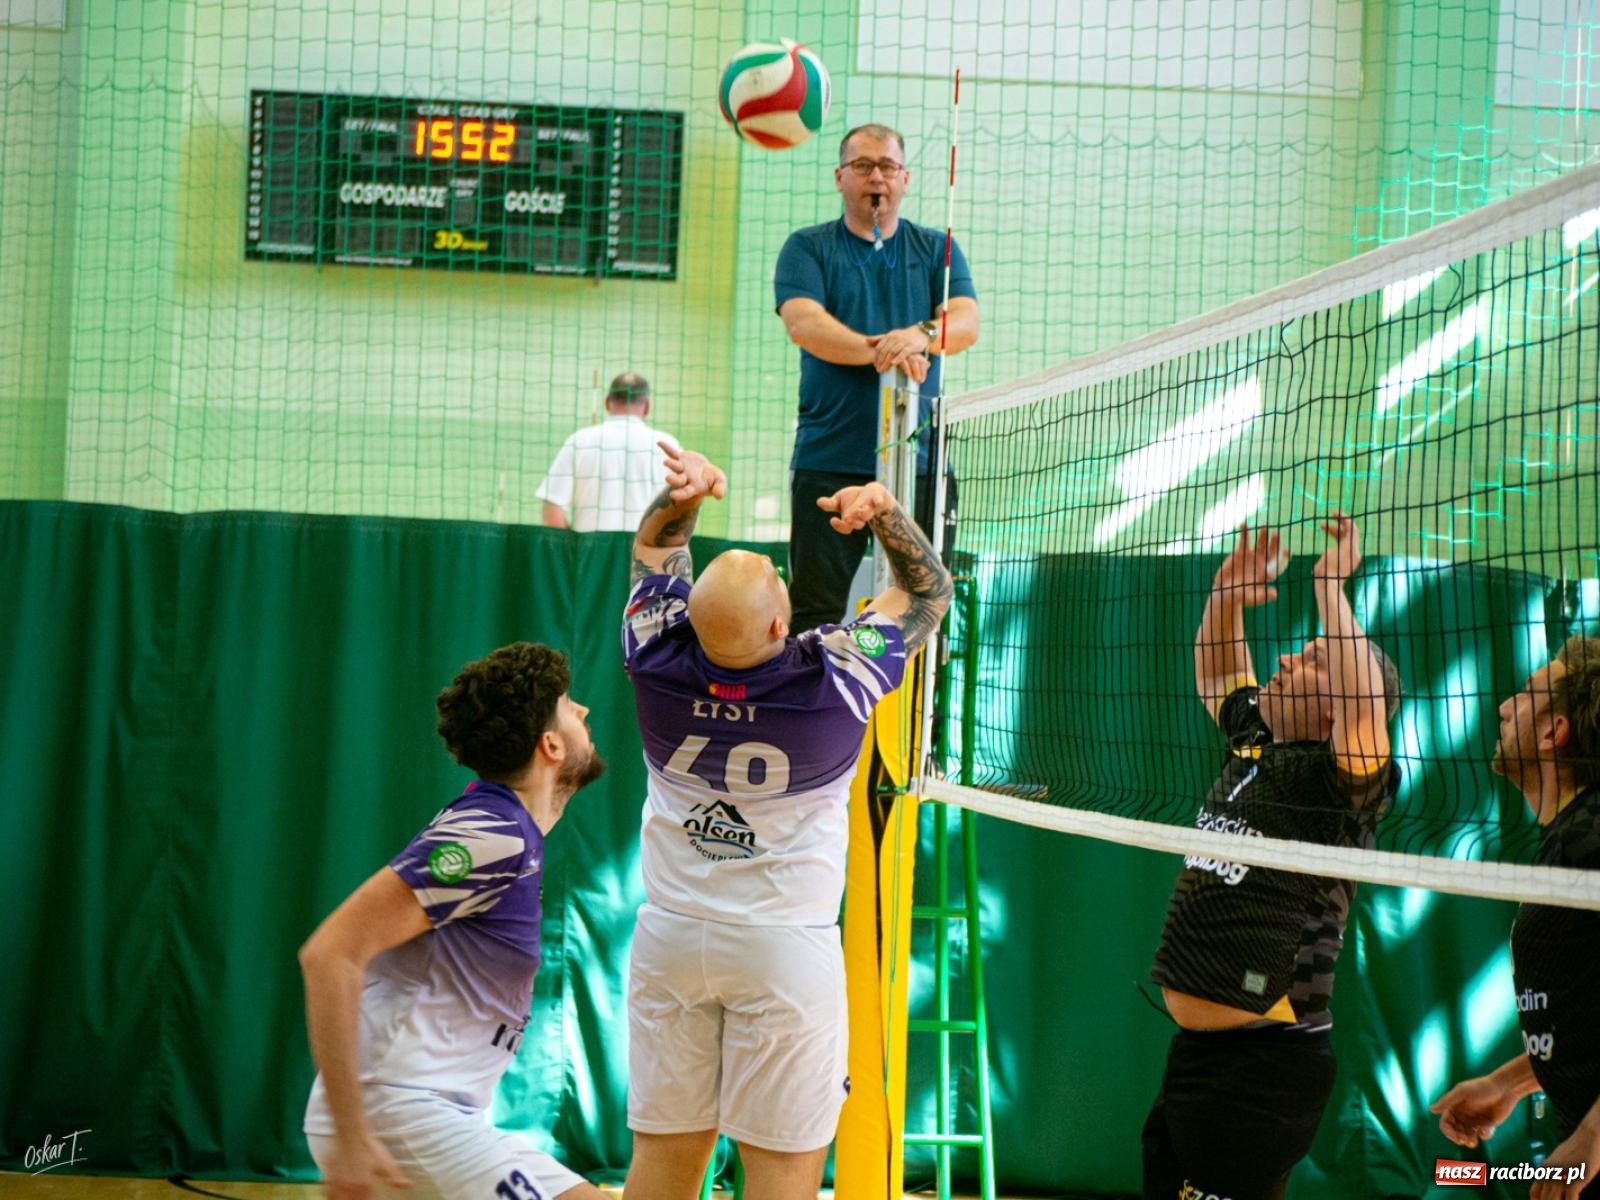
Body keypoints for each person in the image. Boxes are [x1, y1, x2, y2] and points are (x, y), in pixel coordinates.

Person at [618, 441, 952, 1200]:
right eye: (777, 581)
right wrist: (889, 518)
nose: (781, 575)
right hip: (782, 950)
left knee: (664, 1166)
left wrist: (687, 497)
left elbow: (655, 547)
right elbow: (929, 595)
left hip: (671, 938)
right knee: (784, 1176)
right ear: (779, 628)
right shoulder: (837, 675)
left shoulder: (654, 657)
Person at [1143, 516, 1402, 1200]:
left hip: (1264, 1068)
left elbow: (1365, 704)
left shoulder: (1343, 782)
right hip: (1201, 1057)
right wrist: (1224, 599)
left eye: (1312, 659)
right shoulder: (1258, 745)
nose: (1286, 660)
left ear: (1334, 711)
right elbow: (1221, 673)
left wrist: (1328, 589)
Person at [299, 642, 608, 1200]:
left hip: (441, 1114)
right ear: (551, 745)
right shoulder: (490, 834)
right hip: (398, 1111)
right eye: (568, 704)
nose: (584, 711)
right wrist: (350, 1133)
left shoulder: (506, 828)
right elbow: (329, 953)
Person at [774, 122, 979, 633]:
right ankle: (815, 713)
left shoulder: (937, 249)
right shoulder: (808, 247)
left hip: (920, 464)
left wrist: (920, 333)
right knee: (815, 611)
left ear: (905, 179)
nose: (876, 177)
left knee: (925, 607)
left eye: (887, 166)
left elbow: (965, 321)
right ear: (839, 177)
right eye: (863, 166)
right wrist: (887, 349)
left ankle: (921, 715)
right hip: (830, 459)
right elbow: (804, 323)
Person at [1431, 635, 1600, 1200]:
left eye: (1527, 694)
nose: (1503, 706)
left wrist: (1593, 1139)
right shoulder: (1567, 840)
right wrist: (1507, 1084)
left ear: (1556, 733)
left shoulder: (1591, 841)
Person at [536, 372, 680, 532]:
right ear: (647, 406)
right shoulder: (667, 445)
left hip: (589, 552)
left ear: (607, 402)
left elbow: (551, 511)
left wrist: (575, 550)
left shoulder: (579, 441)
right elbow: (682, 511)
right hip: (644, 553)